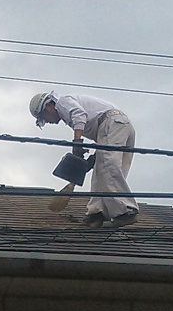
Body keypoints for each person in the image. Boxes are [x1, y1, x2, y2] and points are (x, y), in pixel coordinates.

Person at [29, 91, 139, 228]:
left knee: (108, 168)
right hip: (117, 125)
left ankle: (126, 210)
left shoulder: (62, 102)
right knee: (103, 169)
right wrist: (93, 158)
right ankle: (97, 211)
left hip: (112, 123)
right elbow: (98, 130)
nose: (49, 122)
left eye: (45, 117)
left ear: (48, 107)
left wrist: (77, 143)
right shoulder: (66, 109)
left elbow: (80, 115)